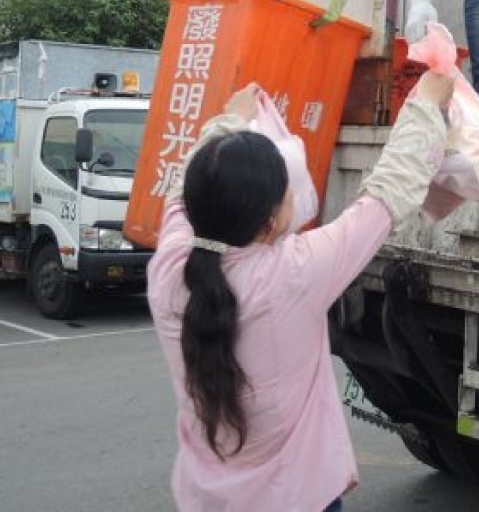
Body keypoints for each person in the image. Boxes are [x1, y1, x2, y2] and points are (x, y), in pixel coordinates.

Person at [147, 73, 454, 512]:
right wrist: (426, 105)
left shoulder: (169, 268)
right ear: (272, 220)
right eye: (288, 192)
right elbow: (385, 199)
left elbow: (181, 195)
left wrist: (228, 122)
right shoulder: (293, 274)